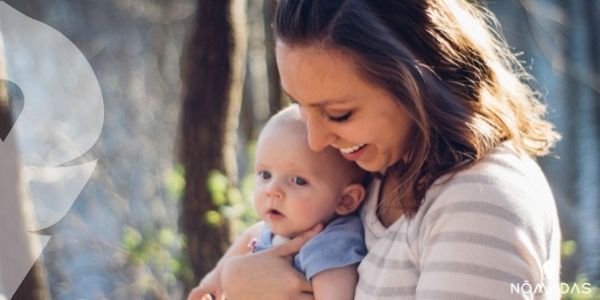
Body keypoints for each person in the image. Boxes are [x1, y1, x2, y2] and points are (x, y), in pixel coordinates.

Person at [202, 0, 563, 299]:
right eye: (300, 105)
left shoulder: (481, 201)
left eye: (338, 114)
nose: (315, 141)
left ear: (417, 83)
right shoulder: (370, 173)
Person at [188, 106, 369, 300]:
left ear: (346, 200)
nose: (272, 190)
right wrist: (212, 282)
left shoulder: (330, 245)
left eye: (298, 180)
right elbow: (251, 233)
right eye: (265, 174)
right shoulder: (276, 229)